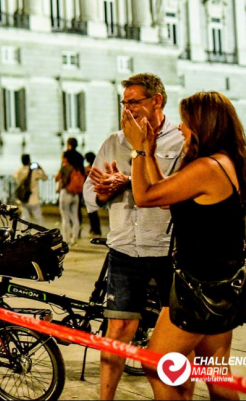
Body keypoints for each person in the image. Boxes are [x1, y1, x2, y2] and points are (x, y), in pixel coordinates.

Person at [123, 91, 245, 400]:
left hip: (200, 289)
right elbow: (166, 200)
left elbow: (146, 197)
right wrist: (150, 154)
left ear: (204, 124)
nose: (180, 128)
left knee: (156, 365)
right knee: (215, 375)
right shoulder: (224, 162)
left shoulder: (207, 168)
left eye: (186, 121)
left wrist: (137, 151)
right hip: (218, 285)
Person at [83, 73, 184, 400]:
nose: (126, 109)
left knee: (178, 334)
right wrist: (101, 191)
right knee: (117, 329)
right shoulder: (113, 141)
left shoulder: (180, 140)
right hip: (125, 248)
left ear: (157, 100)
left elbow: (179, 192)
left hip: (167, 249)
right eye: (124, 103)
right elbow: (88, 193)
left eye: (134, 102)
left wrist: (130, 180)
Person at [55, 151, 84, 245]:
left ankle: (66, 239)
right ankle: (75, 238)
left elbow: (56, 178)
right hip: (75, 195)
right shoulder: (77, 168)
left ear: (66, 158)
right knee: (75, 217)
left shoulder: (65, 167)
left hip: (66, 193)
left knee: (65, 217)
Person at [13, 154, 48, 225]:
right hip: (33, 198)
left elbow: (14, 176)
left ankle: (25, 234)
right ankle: (44, 233)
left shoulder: (18, 171)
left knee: (25, 218)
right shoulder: (34, 172)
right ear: (29, 161)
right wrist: (40, 168)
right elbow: (45, 178)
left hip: (23, 198)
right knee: (38, 218)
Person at [84, 152, 102, 237]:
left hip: (90, 191)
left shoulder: (88, 168)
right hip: (95, 190)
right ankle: (96, 229)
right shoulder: (97, 167)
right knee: (94, 212)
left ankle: (94, 229)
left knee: (91, 212)